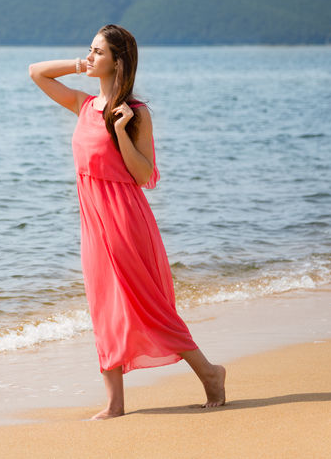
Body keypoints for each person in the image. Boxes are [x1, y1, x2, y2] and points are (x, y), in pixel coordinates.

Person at [28, 24, 226, 419]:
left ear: (117, 62)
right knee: (104, 305)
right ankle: (115, 403)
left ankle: (209, 372)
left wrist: (120, 132)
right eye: (90, 50)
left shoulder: (135, 113)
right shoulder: (83, 106)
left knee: (147, 305)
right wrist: (77, 62)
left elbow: (144, 175)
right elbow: (36, 71)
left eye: (97, 52)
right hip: (92, 219)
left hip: (124, 217)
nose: (90, 57)